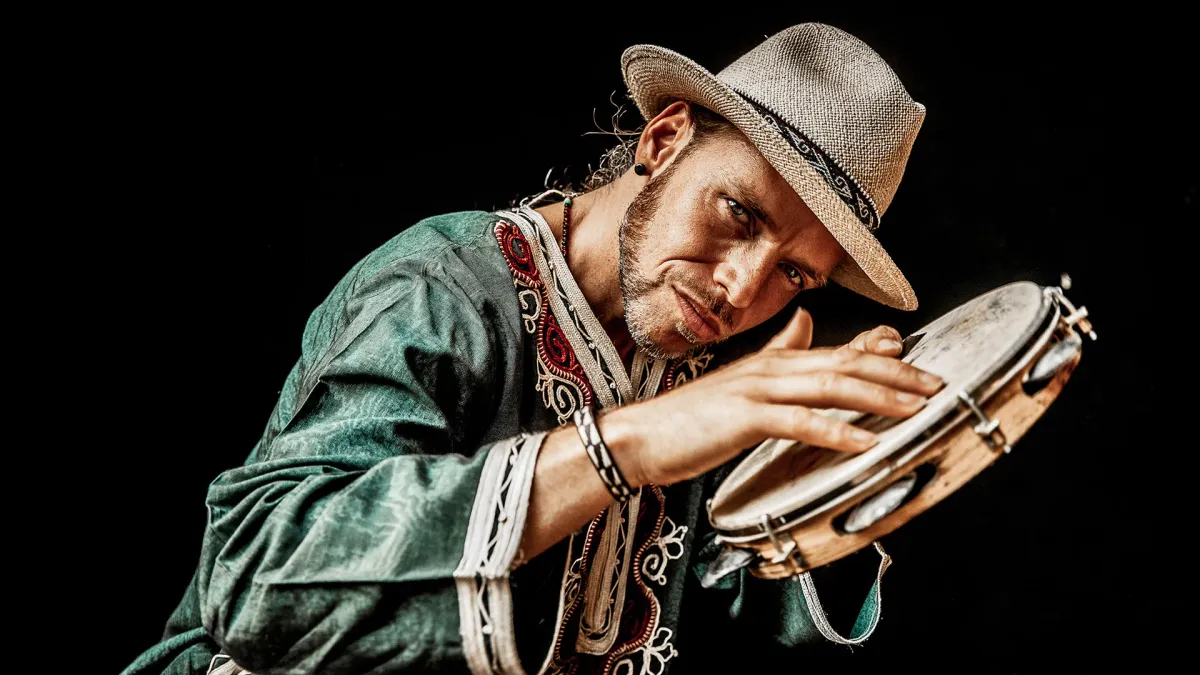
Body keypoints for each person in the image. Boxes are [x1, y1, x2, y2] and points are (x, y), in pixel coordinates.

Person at [122, 22, 940, 675]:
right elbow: (258, 578)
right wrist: (627, 445)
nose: (741, 288)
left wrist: (833, 482)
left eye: (794, 274)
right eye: (739, 213)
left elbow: (729, 610)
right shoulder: (441, 290)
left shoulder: (699, 364)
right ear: (663, 140)